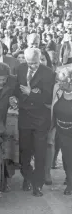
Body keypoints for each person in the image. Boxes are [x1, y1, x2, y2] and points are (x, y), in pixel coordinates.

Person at [13, 47, 55, 197]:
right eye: (30, 63)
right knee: (25, 151)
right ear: (25, 60)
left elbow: (48, 97)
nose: (33, 66)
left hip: (40, 118)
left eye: (35, 63)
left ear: (40, 58)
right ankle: (27, 177)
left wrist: (31, 93)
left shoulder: (48, 73)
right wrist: (14, 98)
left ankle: (38, 184)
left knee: (39, 152)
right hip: (24, 116)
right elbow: (16, 89)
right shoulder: (19, 69)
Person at [0, 63, 18, 192]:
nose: (0, 82)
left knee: (7, 147)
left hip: (6, 120)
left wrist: (16, 101)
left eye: (3, 79)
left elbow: (18, 99)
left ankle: (6, 177)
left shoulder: (12, 84)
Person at [48, 65, 72, 195]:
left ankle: (70, 182)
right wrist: (51, 128)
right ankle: (69, 180)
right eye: (59, 80)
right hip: (61, 129)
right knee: (67, 158)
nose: (59, 83)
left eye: (63, 81)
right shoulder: (58, 89)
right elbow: (53, 108)